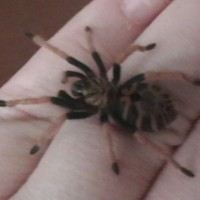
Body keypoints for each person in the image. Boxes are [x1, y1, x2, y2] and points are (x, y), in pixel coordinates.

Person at [0, 0, 199, 199]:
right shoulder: (100, 82)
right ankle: (175, 162)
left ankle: (177, 160)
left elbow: (93, 56)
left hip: (129, 102)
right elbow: (104, 132)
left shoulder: (92, 103)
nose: (82, 86)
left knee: (145, 89)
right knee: (138, 117)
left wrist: (137, 48)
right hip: (131, 100)